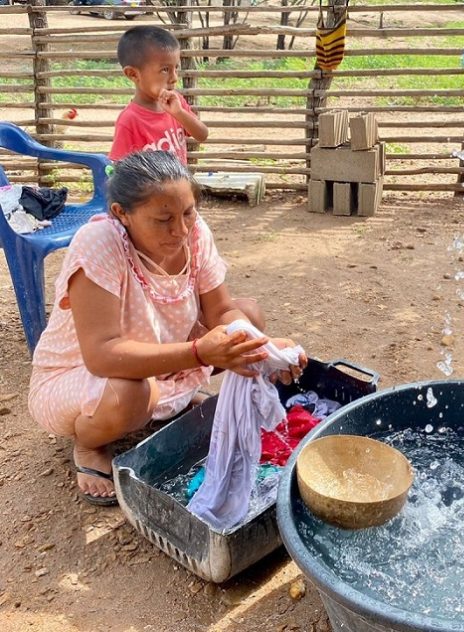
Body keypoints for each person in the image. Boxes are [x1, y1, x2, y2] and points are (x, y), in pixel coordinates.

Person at [29, 151, 305, 506]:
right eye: (163, 220)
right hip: (82, 371)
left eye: (188, 212)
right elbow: (102, 355)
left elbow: (221, 309)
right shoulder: (99, 243)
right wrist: (197, 352)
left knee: (247, 316)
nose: (181, 230)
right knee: (130, 395)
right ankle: (90, 442)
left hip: (161, 356)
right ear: (122, 214)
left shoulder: (194, 233)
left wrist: (261, 345)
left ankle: (172, 397)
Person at [109, 25, 208, 164]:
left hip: (180, 185)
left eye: (176, 68)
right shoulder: (129, 121)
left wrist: (179, 113)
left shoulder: (176, 102)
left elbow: (202, 135)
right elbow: (119, 172)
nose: (174, 78)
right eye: (165, 70)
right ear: (133, 74)